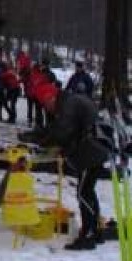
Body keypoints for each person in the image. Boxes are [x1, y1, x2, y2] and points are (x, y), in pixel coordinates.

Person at [28, 80, 108, 251]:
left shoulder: (68, 104)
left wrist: (41, 140)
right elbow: (64, 128)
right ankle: (96, 231)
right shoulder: (71, 100)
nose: (47, 109)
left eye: (46, 105)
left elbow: (62, 131)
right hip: (96, 148)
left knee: (83, 193)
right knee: (88, 190)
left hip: (91, 151)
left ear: (50, 98)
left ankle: (88, 234)